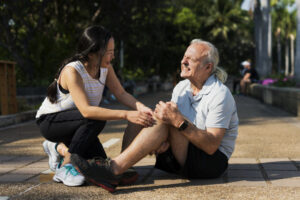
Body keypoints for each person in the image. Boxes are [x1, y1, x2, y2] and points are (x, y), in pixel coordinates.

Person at [70, 39, 239, 192]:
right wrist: (163, 139)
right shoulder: (181, 88)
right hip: (183, 154)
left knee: (163, 122)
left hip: (210, 162)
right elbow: (171, 125)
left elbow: (211, 145)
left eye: (190, 59)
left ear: (208, 67)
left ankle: (113, 169)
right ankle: (123, 171)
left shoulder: (220, 94)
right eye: (183, 57)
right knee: (143, 115)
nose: (183, 61)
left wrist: (178, 121)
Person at [36, 25, 155, 187]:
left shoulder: (106, 68)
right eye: (109, 52)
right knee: (95, 119)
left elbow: (121, 94)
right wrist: (127, 115)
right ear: (92, 52)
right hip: (50, 122)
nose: (112, 57)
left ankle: (58, 148)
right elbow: (86, 111)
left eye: (114, 52)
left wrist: (141, 107)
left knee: (100, 164)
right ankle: (65, 167)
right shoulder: (73, 71)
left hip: (78, 125)